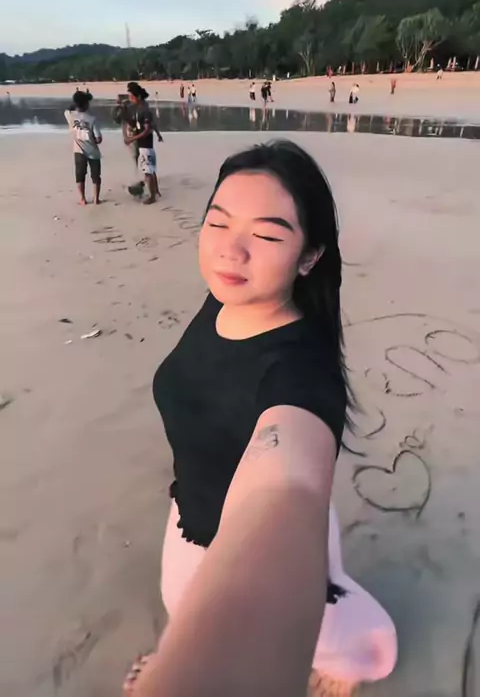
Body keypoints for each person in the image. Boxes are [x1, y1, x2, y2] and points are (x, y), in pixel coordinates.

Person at [124, 140, 397, 696]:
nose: (231, 251)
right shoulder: (226, 299)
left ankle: (355, 660)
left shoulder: (300, 374)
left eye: (268, 236)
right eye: (218, 223)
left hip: (243, 537)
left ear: (309, 257)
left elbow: (286, 487)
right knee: (181, 605)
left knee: (320, 626)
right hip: (190, 510)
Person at [123, 81, 160, 204]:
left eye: (131, 96)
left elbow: (147, 130)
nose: (130, 99)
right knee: (150, 169)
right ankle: (156, 191)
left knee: (148, 171)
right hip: (143, 144)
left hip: (145, 144)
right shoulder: (139, 108)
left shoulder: (144, 110)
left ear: (138, 96)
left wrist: (132, 139)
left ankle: (152, 197)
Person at [64, 90, 102, 205]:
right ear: (86, 104)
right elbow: (99, 139)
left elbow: (68, 109)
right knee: (95, 175)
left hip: (78, 150)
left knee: (80, 175)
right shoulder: (92, 119)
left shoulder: (70, 115)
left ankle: (82, 199)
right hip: (93, 151)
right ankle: (96, 199)